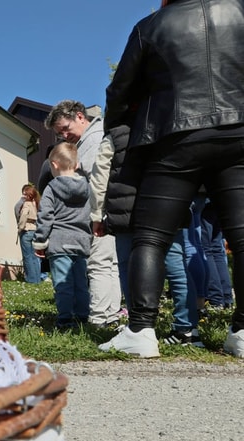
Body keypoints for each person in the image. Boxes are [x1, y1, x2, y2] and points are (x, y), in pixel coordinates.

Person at [100, 0, 244, 359]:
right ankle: (242, 331)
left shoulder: (149, 26)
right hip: (239, 130)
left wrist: (120, 129)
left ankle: (141, 331)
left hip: (174, 137)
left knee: (150, 237)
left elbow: (120, 92)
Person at [91, 124, 203, 347]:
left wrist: (97, 213)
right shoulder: (172, 122)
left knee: (128, 268)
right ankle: (187, 329)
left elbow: (100, 174)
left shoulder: (116, 133)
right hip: (168, 205)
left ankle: (138, 327)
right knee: (177, 269)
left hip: (127, 209)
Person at [45, 100, 121, 328]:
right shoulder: (90, 138)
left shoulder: (94, 139)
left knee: (98, 264)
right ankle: (111, 314)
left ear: (80, 116)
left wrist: (96, 214)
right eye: (59, 133)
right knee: (110, 265)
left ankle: (98, 319)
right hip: (107, 209)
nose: (65, 135)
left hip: (101, 211)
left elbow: (98, 179)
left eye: (65, 128)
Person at [33, 143, 92, 330]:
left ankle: (65, 319)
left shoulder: (52, 187)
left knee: (63, 284)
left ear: (54, 165)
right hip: (81, 241)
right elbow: (90, 212)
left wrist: (40, 241)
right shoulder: (87, 187)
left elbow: (45, 215)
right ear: (76, 165)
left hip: (59, 242)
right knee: (81, 283)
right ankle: (83, 316)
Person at [17, 184, 42, 283]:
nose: (23, 196)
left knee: (27, 256)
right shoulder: (36, 203)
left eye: (24, 194)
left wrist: (20, 228)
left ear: (28, 195)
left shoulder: (27, 204)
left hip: (27, 230)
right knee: (35, 256)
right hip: (35, 230)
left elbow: (23, 216)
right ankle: (37, 279)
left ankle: (31, 280)